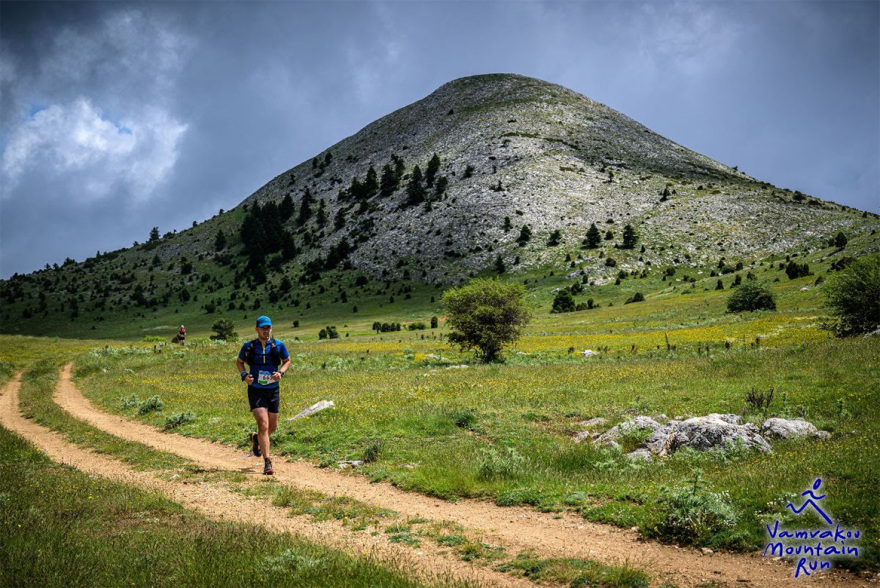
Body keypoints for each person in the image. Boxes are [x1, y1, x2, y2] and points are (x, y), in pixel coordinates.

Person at [236, 315, 290, 475]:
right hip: (256, 389)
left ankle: (256, 439)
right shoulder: (249, 346)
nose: (266, 331)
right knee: (263, 424)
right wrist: (244, 375)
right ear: (257, 329)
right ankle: (268, 462)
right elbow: (239, 362)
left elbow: (287, 360)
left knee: (272, 427)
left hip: (273, 389)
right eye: (263, 328)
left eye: (269, 328)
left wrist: (281, 373)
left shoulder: (278, 345)